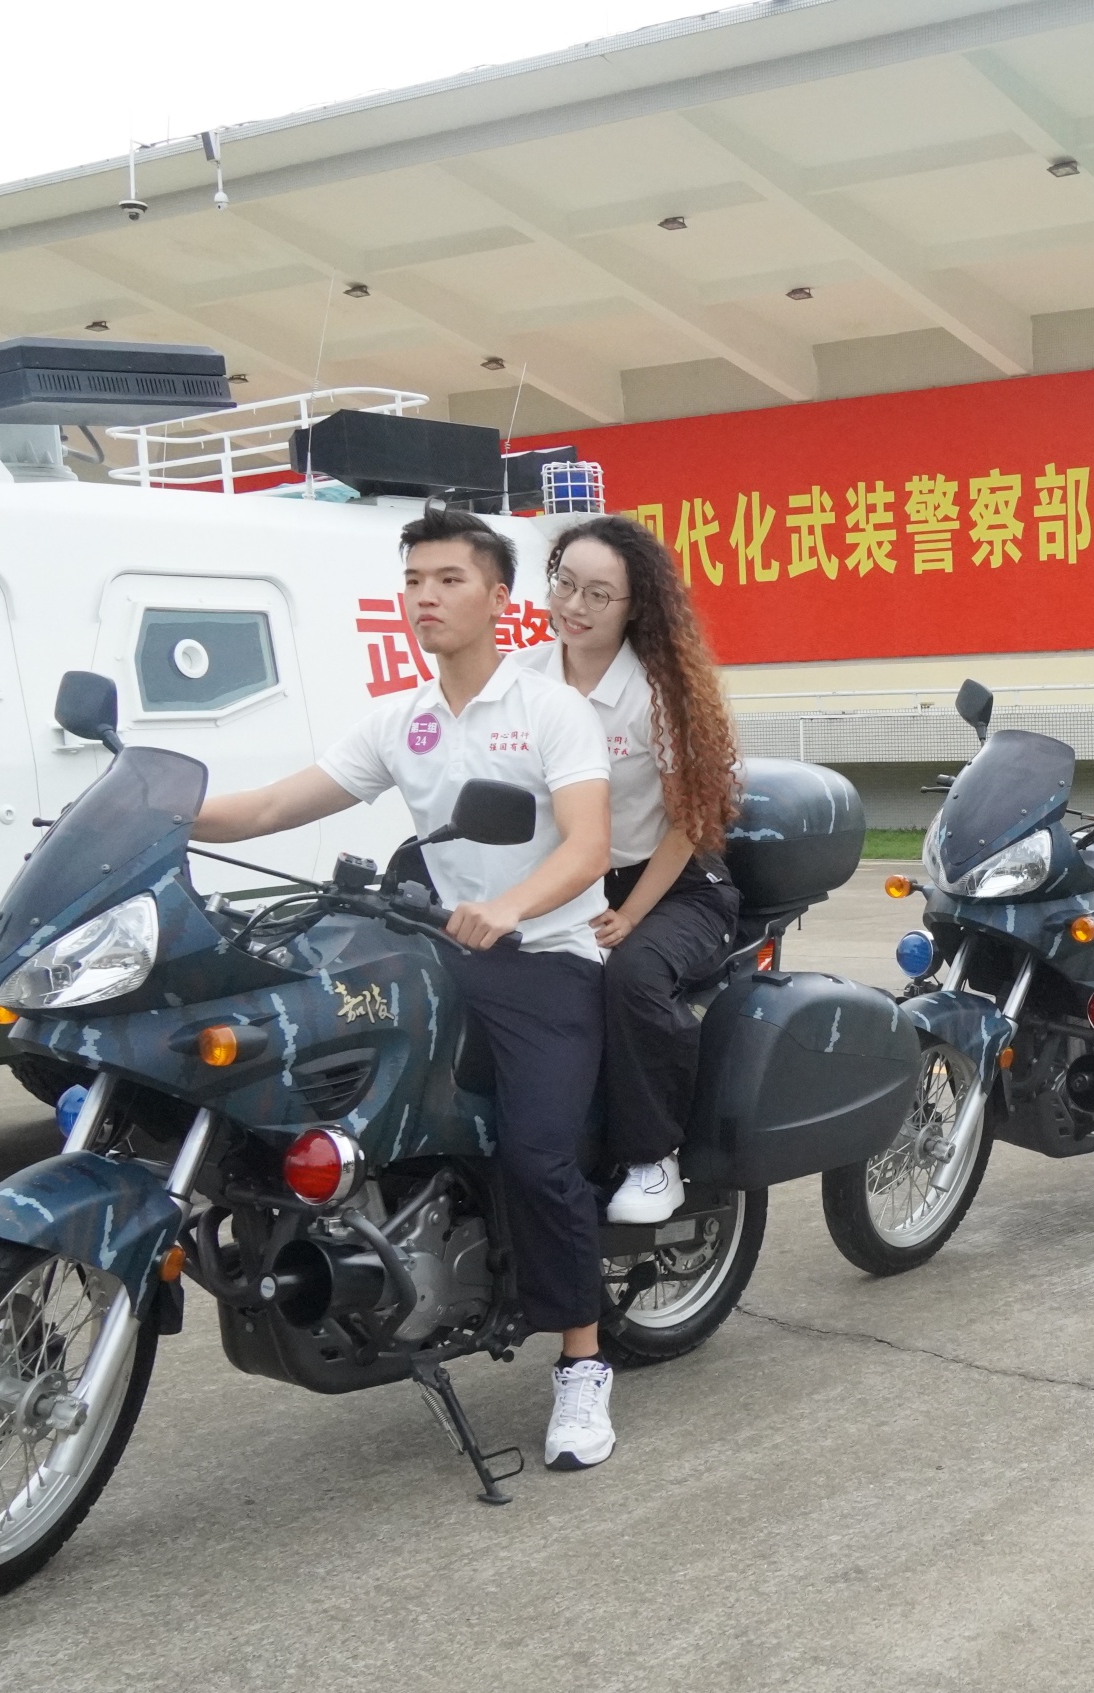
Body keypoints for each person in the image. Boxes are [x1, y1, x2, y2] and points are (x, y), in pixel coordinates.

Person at [188, 507, 626, 1474]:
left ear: (499, 600)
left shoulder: (550, 709)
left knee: (538, 1152)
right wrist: (148, 806)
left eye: (449, 580)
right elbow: (266, 806)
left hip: (543, 955)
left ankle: (583, 1361)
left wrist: (511, 908)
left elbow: (590, 845)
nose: (426, 596)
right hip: (437, 946)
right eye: (415, 580)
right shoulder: (404, 719)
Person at [512, 513, 743, 1225]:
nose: (574, 607)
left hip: (669, 883)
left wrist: (633, 914)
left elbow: (689, 823)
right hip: (565, 875)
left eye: (598, 595)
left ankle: (654, 1159)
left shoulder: (655, 693)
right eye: (565, 585)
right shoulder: (520, 677)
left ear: (635, 605)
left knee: (629, 974)